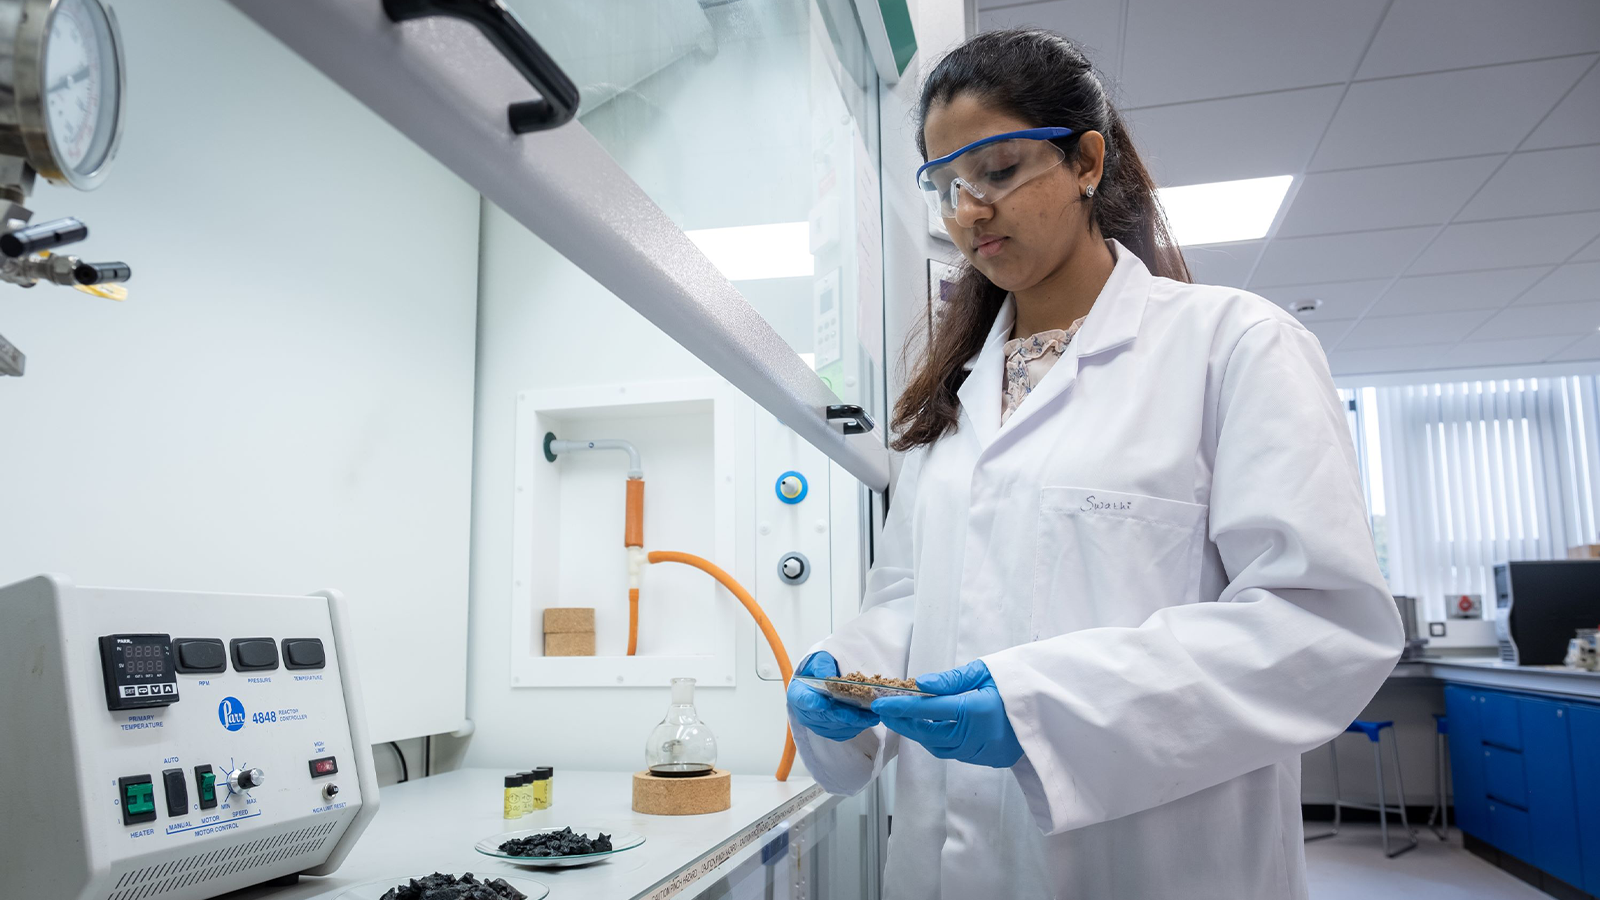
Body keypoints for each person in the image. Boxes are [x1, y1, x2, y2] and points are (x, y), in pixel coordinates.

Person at [785, 28, 1402, 900]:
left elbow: (1321, 626)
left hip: (1161, 865)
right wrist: (845, 671)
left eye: (998, 171)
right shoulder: (953, 400)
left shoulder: (1232, 344)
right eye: (948, 186)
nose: (971, 210)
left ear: (1085, 161)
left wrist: (1044, 711)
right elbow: (909, 599)